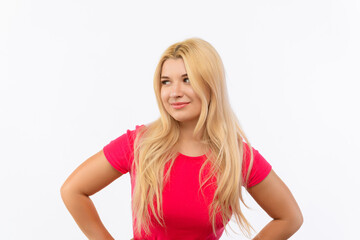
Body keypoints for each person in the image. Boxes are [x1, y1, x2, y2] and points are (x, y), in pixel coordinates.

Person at [61, 38, 303, 240]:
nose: (174, 92)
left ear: (210, 85)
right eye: (166, 82)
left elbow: (290, 217)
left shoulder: (235, 155)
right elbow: (73, 190)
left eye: (187, 80)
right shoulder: (140, 144)